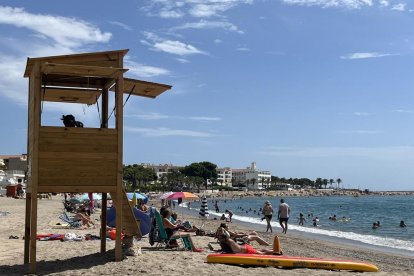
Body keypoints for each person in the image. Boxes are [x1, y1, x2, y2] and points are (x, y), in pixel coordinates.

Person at [216, 227, 282, 255]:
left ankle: (275, 252)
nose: (218, 237)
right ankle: (273, 250)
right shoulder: (224, 242)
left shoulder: (229, 241)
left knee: (262, 253)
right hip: (245, 247)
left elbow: (236, 251)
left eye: (219, 236)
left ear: (223, 237)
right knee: (261, 250)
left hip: (246, 250)